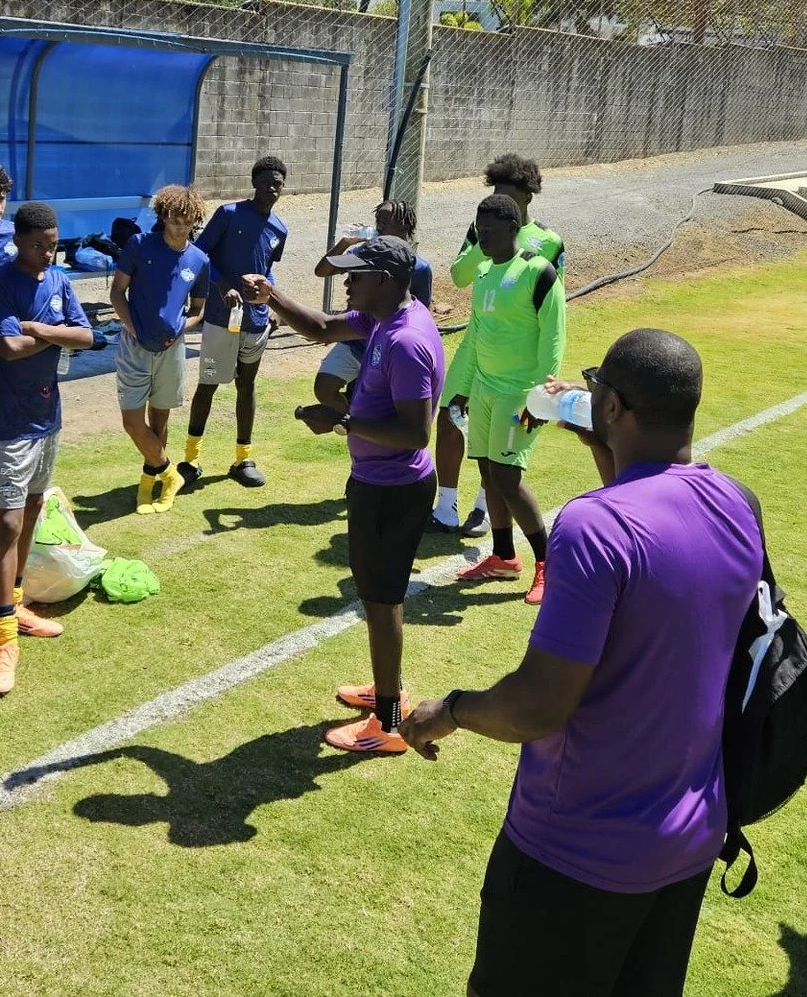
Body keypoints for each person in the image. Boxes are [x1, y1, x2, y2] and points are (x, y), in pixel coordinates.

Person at [400, 331, 763, 997]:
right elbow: (651, 529)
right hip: (686, 843)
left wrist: (447, 710)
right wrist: (596, 433)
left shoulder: (593, 527)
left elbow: (540, 705)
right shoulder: (738, 503)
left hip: (576, 853)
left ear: (616, 406)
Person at [243, 237, 444, 755]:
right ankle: (386, 692)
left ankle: (388, 722)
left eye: (355, 274)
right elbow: (318, 327)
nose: (346, 281)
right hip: (375, 484)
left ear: (384, 280)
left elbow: (417, 433)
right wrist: (272, 295)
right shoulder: (382, 318)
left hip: (393, 492)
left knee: (382, 602)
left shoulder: (405, 341)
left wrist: (344, 420)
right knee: (377, 599)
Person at [0, 201, 94, 696]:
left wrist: (39, 329)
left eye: (53, 243)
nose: (48, 252)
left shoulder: (59, 281)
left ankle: (17, 604)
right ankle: (3, 637)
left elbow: (87, 336)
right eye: (38, 244)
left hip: (48, 418)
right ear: (18, 241)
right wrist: (53, 336)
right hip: (8, 422)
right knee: (5, 521)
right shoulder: (1, 283)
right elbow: (9, 349)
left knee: (30, 509)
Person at [435, 153, 566, 535]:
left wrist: (546, 380)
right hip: (477, 344)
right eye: (496, 193)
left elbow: (553, 309)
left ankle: (483, 509)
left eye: (508, 195)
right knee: (449, 417)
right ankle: (444, 507)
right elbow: (459, 276)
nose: (502, 200)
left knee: (498, 436)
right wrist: (484, 239)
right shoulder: (482, 230)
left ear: (528, 197)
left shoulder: (549, 242)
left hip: (516, 356)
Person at [450, 194, 567, 605]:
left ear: (513, 229)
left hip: (521, 395)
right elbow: (478, 335)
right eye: (480, 231)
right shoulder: (483, 272)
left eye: (491, 231)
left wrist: (540, 397)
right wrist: (464, 387)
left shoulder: (539, 272)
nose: (483, 238)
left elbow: (553, 338)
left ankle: (548, 565)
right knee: (487, 473)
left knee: (507, 478)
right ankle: (502, 557)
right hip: (483, 389)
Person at [181, 155, 288, 490]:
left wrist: (270, 302)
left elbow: (267, 268)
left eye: (279, 183)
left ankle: (243, 459)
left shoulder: (279, 229)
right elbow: (199, 255)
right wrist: (223, 284)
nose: (273, 188)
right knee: (209, 383)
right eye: (268, 181)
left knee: (248, 385)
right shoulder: (229, 214)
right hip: (219, 317)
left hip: (255, 322)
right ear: (254, 182)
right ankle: (190, 459)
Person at [110, 185, 209, 515]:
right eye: (174, 219)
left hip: (172, 349)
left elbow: (198, 309)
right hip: (135, 346)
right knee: (133, 422)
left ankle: (150, 483)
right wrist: (133, 328)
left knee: (161, 418)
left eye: (187, 220)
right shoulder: (139, 245)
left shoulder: (199, 260)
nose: (180, 226)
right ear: (163, 216)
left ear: (196, 220)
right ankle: (171, 475)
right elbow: (117, 294)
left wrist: (181, 328)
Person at [310, 200, 432, 415]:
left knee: (378, 404)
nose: (379, 223)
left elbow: (422, 312)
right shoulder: (363, 252)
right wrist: (345, 243)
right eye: (378, 218)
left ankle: (361, 424)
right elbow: (322, 271)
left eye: (386, 218)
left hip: (386, 348)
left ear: (404, 225)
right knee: (324, 388)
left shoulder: (419, 268)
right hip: (355, 341)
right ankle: (353, 419)